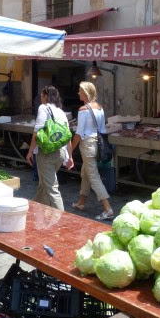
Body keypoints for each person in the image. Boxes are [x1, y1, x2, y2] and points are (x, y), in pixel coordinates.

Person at [66, 81, 114, 220]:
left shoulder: (83, 110)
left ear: (86, 93)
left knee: (93, 176)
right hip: (97, 145)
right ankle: (81, 202)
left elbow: (79, 134)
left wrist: (70, 151)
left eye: (80, 90)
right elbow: (103, 130)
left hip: (87, 145)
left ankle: (107, 209)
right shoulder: (100, 108)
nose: (78, 93)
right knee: (86, 173)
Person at [26, 85, 69, 211]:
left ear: (46, 96)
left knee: (51, 188)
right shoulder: (61, 111)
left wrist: (30, 151)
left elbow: (37, 132)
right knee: (44, 184)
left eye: (41, 95)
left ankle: (62, 218)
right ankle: (36, 210)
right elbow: (68, 136)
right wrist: (69, 156)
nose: (40, 97)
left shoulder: (43, 108)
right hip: (60, 153)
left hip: (46, 153)